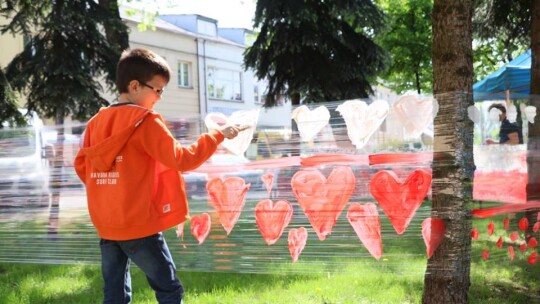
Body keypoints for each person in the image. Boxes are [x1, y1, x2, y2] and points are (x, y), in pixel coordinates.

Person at [74, 48, 241, 304]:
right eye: (158, 90)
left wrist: (109, 193)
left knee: (115, 294)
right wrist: (217, 135)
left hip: (107, 224)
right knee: (169, 290)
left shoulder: (96, 122)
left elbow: (82, 167)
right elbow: (183, 159)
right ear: (135, 86)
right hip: (139, 224)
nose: (159, 97)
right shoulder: (145, 121)